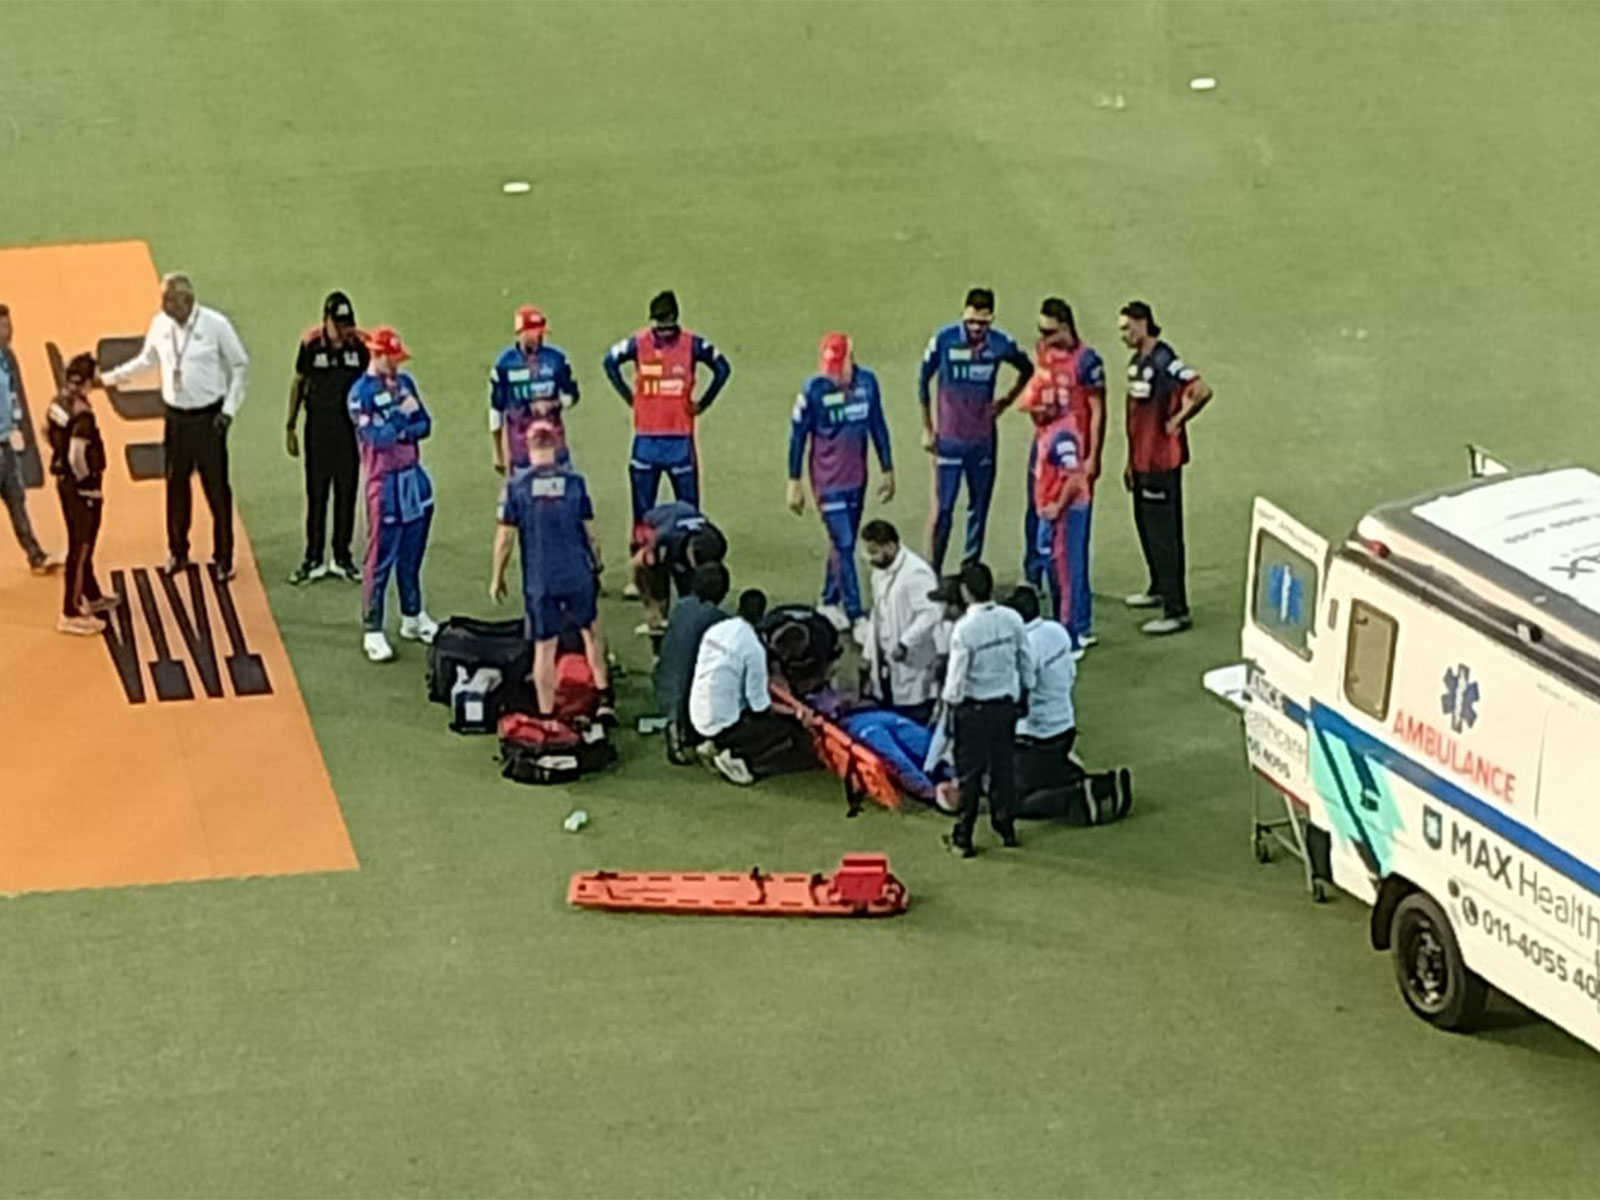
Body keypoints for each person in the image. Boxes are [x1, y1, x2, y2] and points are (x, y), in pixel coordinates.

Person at [99, 273, 249, 579]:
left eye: (168, 299)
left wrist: (230, 410)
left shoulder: (214, 325)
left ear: (186, 300)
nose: (163, 305)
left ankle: (224, 557)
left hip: (210, 418)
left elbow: (240, 364)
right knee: (175, 486)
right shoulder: (160, 325)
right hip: (176, 418)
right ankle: (178, 551)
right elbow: (145, 361)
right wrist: (109, 378)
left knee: (217, 490)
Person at [491, 419, 614, 721]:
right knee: (592, 632)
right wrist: (596, 562)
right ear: (556, 445)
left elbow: (505, 538)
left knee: (544, 649)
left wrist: (498, 577)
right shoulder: (575, 482)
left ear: (528, 446)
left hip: (541, 581)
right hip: (578, 574)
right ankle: (603, 698)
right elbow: (591, 532)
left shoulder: (516, 487)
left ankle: (547, 714)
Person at [786, 332, 894, 642]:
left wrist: (887, 468)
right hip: (827, 481)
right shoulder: (813, 390)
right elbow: (797, 437)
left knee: (839, 545)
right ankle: (856, 613)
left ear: (851, 359)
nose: (833, 376)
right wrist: (794, 481)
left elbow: (878, 426)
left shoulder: (868, 384)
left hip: (857, 479)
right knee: (846, 543)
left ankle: (828, 600)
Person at [917, 287, 1033, 574]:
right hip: (949, 440)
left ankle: (969, 568)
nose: (976, 329)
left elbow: (1027, 369)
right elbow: (923, 381)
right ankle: (932, 572)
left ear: (991, 319)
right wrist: (927, 428)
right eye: (971, 322)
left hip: (982, 441)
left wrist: (1005, 401)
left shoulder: (1001, 343)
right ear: (964, 315)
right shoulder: (944, 340)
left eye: (982, 323)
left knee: (978, 507)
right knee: (943, 510)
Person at [602, 290, 732, 534]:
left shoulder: (692, 344)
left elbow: (723, 368)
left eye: (668, 326)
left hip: (677, 439)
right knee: (643, 517)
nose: (664, 332)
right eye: (660, 326)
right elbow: (609, 362)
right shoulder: (638, 343)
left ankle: (690, 561)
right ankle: (644, 564)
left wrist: (703, 403)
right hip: (649, 439)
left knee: (690, 516)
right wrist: (630, 397)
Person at [1119, 300, 1213, 635]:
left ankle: (1177, 609)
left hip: (1162, 463)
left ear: (1144, 323)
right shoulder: (1136, 363)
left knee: (1164, 536)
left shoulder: (1165, 360)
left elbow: (1201, 390)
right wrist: (1131, 461)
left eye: (1128, 328)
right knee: (1145, 527)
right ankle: (1158, 587)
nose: (1124, 335)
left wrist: (1177, 420)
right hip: (1142, 462)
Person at [348, 326, 437, 663]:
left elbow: (425, 424)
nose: (397, 366)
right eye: (393, 359)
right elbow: (379, 436)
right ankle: (373, 629)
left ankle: (413, 617)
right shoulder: (360, 394)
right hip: (383, 482)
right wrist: (403, 416)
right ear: (378, 355)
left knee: (412, 552)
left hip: (412, 476)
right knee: (380, 556)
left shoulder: (405, 384)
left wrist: (400, 422)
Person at [1021, 299, 1105, 646]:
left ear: (1066, 326)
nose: (1044, 338)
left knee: (1072, 542)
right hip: (1046, 451)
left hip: (1074, 451)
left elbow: (1099, 410)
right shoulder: (1045, 354)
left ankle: (1078, 623)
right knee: (1040, 523)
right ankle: (1041, 591)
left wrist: (1093, 457)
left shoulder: (1088, 361)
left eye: (1050, 331)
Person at [940, 562, 1032, 857]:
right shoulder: (1011, 619)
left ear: (966, 592)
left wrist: (949, 708)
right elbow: (1024, 659)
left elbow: (956, 679)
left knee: (970, 775)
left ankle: (964, 837)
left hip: (973, 710)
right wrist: (1025, 691)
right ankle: (1006, 828)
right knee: (1002, 769)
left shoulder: (964, 630)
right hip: (1005, 707)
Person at [688, 588, 812, 786]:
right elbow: (760, 706)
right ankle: (735, 755)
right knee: (784, 726)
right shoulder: (753, 648)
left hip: (696, 714)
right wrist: (796, 712)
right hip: (723, 722)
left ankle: (711, 743)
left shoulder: (716, 629)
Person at [286, 290, 368, 585]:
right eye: (339, 323)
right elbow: (299, 382)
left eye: (348, 323)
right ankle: (313, 557)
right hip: (317, 430)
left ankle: (342, 557)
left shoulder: (360, 346)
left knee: (346, 494)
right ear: (327, 320)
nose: (344, 330)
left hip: (349, 433)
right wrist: (290, 426)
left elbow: (369, 387)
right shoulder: (311, 344)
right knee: (317, 494)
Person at [44, 354, 117, 635]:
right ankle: (71, 611)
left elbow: (48, 433)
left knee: (81, 544)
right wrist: (87, 481)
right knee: (81, 546)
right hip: (80, 488)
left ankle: (92, 594)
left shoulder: (58, 402)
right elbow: (77, 454)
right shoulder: (82, 412)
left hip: (64, 484)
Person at [859, 520, 944, 726]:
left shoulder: (916, 573)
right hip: (886, 663)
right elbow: (877, 615)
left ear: (890, 546)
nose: (871, 558)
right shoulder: (879, 573)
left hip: (912, 664)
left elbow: (931, 613)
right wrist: (869, 654)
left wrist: (906, 642)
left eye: (874, 551)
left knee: (911, 719)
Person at [654, 561, 730, 764]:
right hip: (691, 698)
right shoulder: (719, 620)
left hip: (663, 688)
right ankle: (694, 731)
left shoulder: (681, 608)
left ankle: (678, 725)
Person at [0, 304, 57, 574]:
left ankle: (35, 555)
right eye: (3, 326)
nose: (10, 331)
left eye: (10, 325)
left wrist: (16, 426)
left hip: (6, 445)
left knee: (17, 500)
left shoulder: (7, 357)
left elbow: (12, 392)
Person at [489, 305, 578, 475]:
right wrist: (498, 452)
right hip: (520, 451)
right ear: (522, 332)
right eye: (535, 332)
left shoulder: (557, 360)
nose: (540, 336)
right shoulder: (505, 364)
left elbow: (571, 396)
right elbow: (496, 410)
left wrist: (553, 404)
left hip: (556, 449)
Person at [630, 501, 727, 632]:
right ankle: (658, 619)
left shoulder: (718, 541)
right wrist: (653, 602)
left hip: (683, 520)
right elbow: (638, 563)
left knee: (693, 591)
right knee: (651, 570)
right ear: (690, 551)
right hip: (654, 523)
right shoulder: (663, 539)